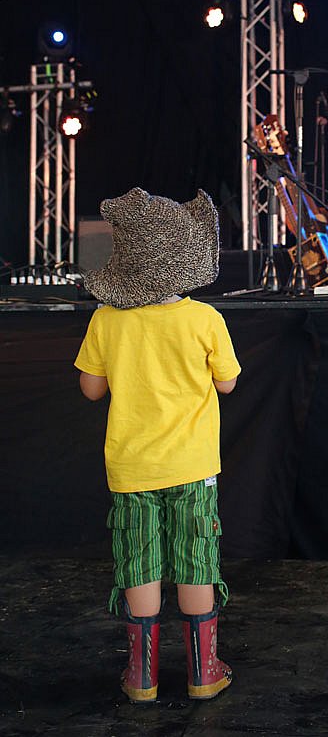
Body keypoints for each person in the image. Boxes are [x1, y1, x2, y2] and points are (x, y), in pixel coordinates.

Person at [74, 186, 241, 704]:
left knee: (139, 561)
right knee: (196, 559)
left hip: (131, 469)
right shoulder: (205, 319)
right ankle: (203, 671)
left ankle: (141, 675)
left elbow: (91, 388)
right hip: (193, 467)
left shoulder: (106, 319)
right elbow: (228, 383)